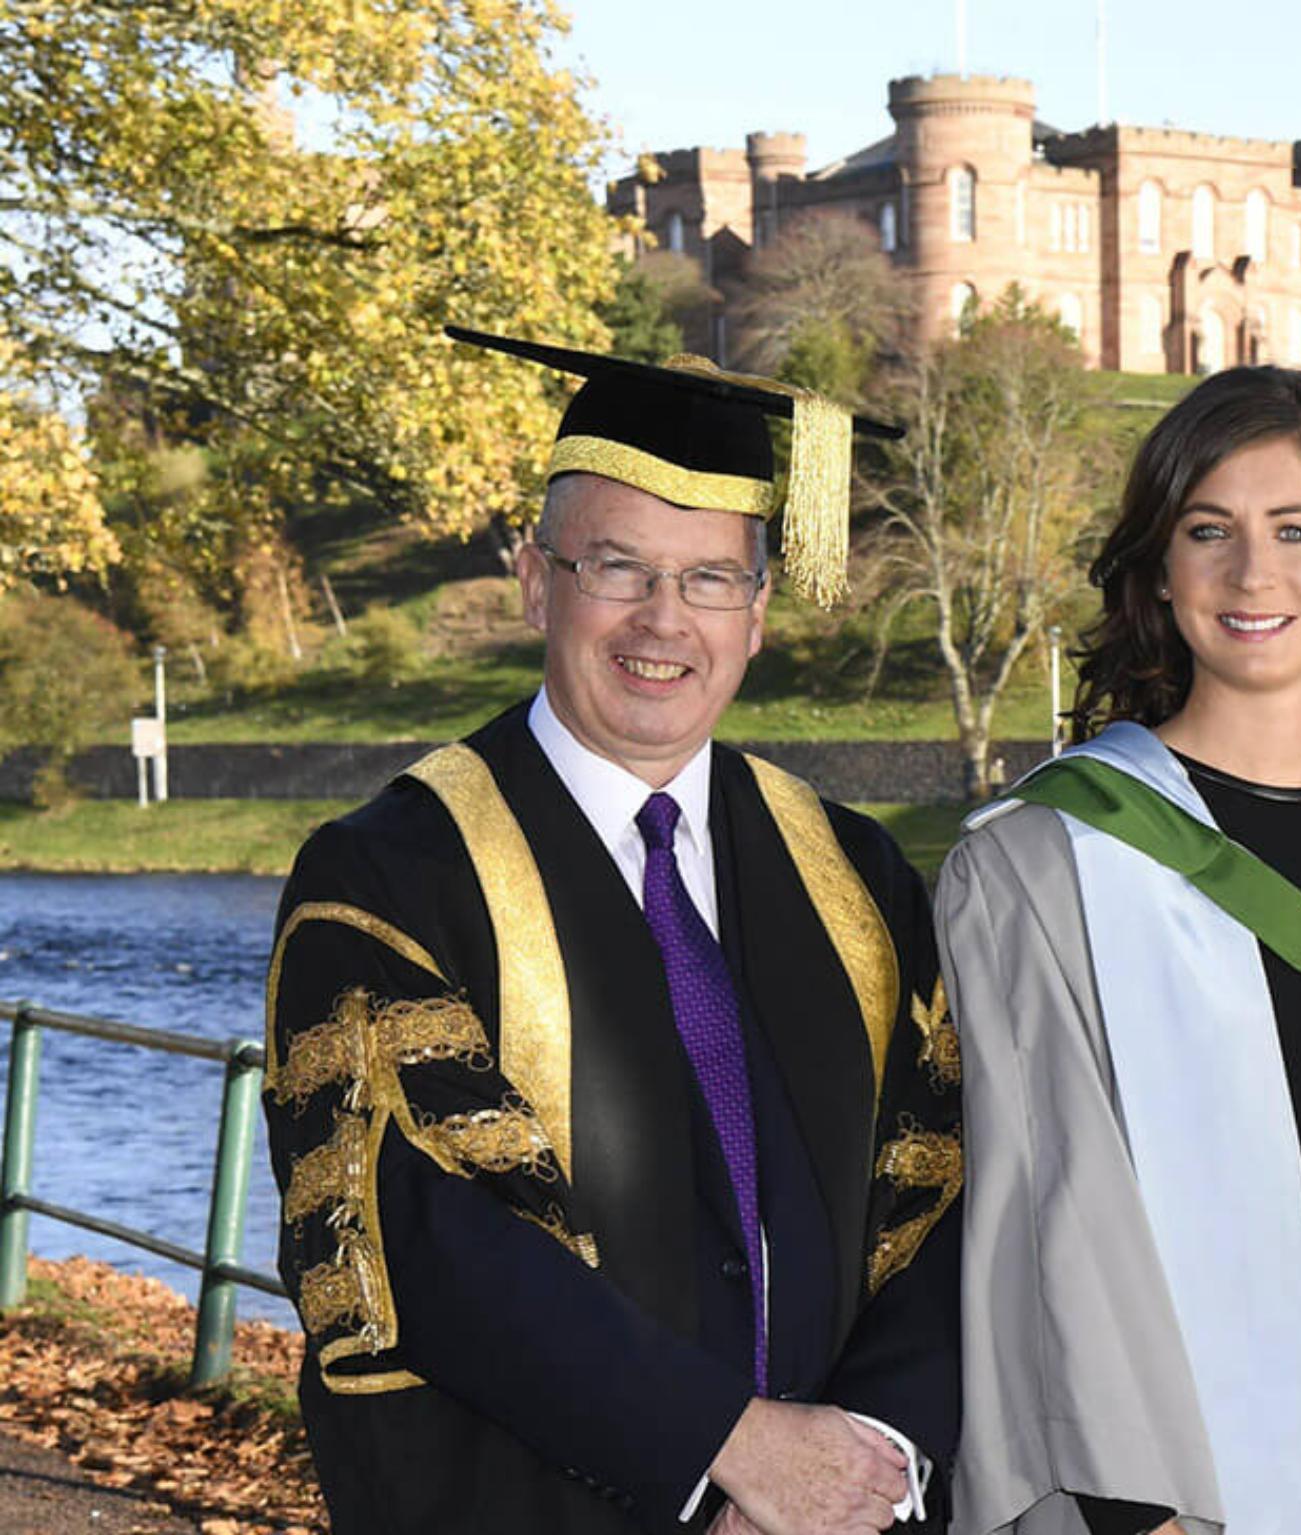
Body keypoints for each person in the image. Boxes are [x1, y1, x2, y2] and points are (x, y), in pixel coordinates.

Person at [262, 330, 961, 1534]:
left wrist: (861, 1463)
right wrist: (729, 1452)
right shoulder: (392, 875)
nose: (663, 621)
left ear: (759, 611)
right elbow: (411, 1238)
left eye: (709, 578)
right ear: (538, 581)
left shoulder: (860, 876)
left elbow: (945, 1194)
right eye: (617, 567)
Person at [939, 366, 1301, 1535]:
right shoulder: (1046, 862)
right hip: (1165, 1505)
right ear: (1158, 572)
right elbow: (1041, 1218)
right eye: (1207, 530)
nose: (1253, 574)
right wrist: (1138, 1511)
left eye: (1297, 530)